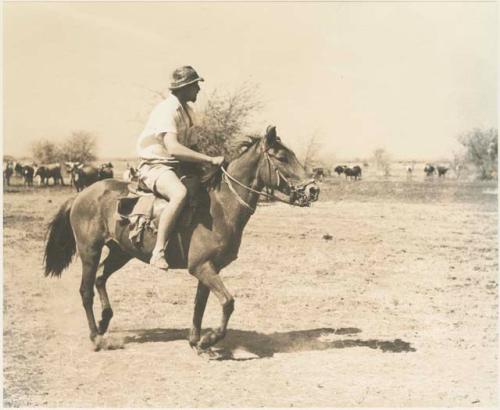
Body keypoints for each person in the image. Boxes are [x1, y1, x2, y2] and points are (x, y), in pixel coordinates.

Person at [136, 65, 224, 270]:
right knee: (179, 194)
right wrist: (208, 160)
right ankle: (158, 251)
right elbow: (174, 148)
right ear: (184, 87)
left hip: (176, 165)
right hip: (155, 165)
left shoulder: (188, 111)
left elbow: (191, 146)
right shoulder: (167, 110)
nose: (198, 90)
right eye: (195, 86)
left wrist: (208, 166)